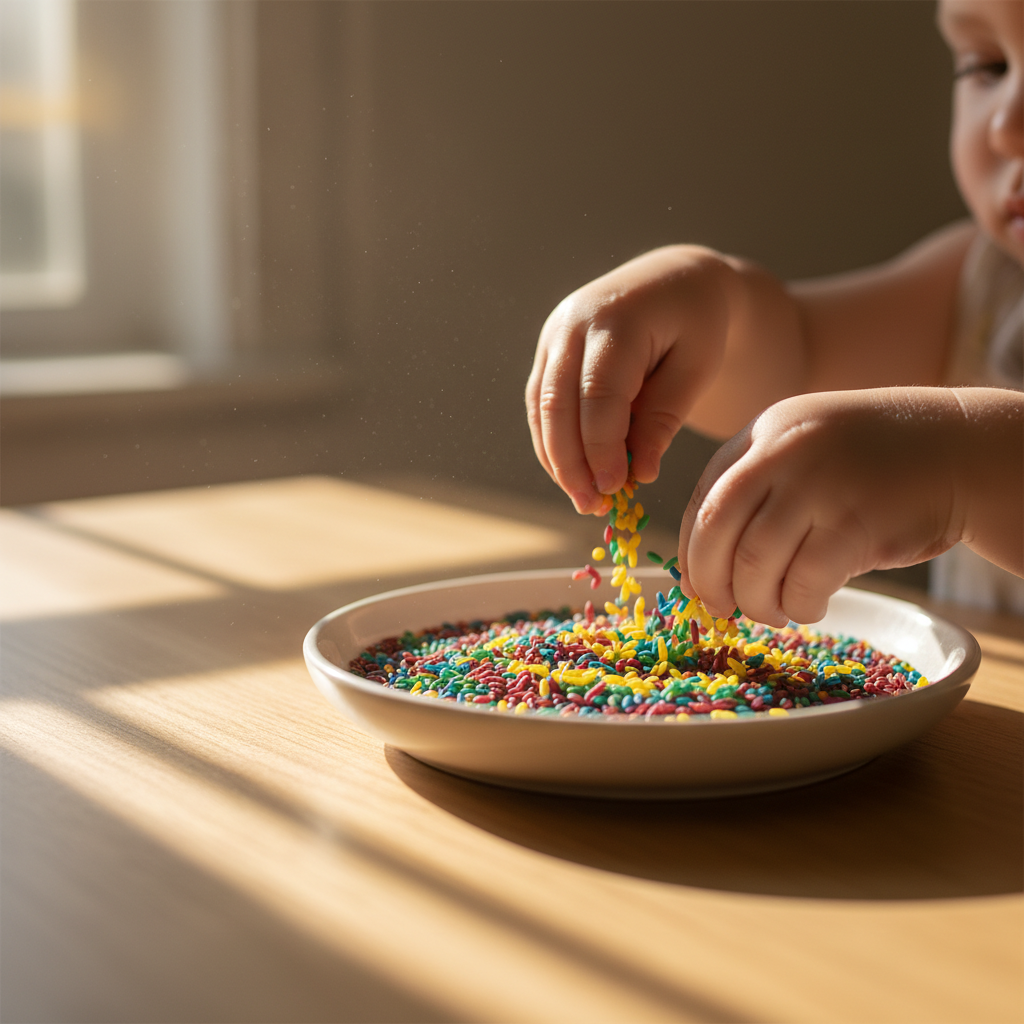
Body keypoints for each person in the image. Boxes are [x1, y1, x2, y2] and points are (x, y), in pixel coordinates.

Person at [526, 0, 1023, 627]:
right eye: (988, 65)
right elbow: (797, 358)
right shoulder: (984, 287)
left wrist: (956, 464)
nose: (1007, 123)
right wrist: (708, 299)